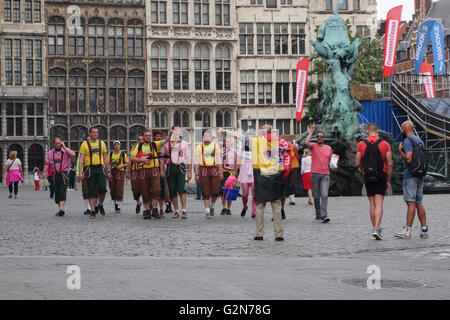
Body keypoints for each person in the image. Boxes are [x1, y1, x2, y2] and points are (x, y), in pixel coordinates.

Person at [355, 123, 393, 240]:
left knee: (372, 203)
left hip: (368, 176)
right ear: (377, 131)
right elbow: (390, 164)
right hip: (380, 176)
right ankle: (377, 228)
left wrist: (364, 171)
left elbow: (357, 163)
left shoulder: (361, 144)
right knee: (379, 202)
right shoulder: (385, 144)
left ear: (367, 131)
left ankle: (374, 229)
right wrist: (388, 180)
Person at [395, 120, 429, 239]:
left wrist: (400, 151)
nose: (401, 131)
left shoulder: (407, 141)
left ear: (405, 129)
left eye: (401, 129)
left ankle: (407, 231)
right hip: (421, 174)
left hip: (411, 174)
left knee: (411, 203)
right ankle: (424, 229)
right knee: (419, 202)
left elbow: (408, 159)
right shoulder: (419, 141)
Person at [252, 124, 285, 241]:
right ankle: (279, 234)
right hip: (275, 176)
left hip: (261, 175)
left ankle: (259, 234)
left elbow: (240, 138)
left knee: (260, 206)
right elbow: (285, 156)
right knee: (276, 206)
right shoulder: (279, 142)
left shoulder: (255, 141)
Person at [129, 129, 170, 219]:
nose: (148, 137)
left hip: (154, 170)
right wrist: (141, 160)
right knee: (145, 191)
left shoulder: (155, 144)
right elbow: (131, 157)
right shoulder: (139, 146)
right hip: (143, 171)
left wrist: (170, 133)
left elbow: (165, 140)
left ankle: (155, 210)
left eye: (149, 135)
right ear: (143, 137)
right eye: (146, 135)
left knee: (156, 190)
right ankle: (147, 211)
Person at [77, 127, 112, 219]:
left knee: (103, 188)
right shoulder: (84, 144)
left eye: (96, 132)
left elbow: (105, 158)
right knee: (91, 191)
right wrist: (80, 173)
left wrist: (108, 170)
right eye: (93, 132)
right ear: (89, 133)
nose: (95, 134)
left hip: (100, 168)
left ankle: (100, 204)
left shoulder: (102, 143)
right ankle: (93, 211)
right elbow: (81, 159)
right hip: (89, 169)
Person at [160, 125, 192, 219]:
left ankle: (184, 210)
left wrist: (189, 171)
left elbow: (188, 158)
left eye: (179, 130)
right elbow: (162, 158)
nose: (177, 132)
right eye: (176, 130)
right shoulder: (166, 144)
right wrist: (161, 170)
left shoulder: (184, 144)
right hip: (170, 168)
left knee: (182, 188)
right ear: (172, 131)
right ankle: (176, 211)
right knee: (172, 190)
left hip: (180, 167)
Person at [305, 123, 333, 223]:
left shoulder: (329, 148)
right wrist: (311, 132)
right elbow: (306, 142)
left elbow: (331, 162)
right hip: (315, 174)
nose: (319, 138)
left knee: (324, 195)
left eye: (321, 137)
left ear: (324, 138)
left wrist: (333, 166)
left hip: (325, 175)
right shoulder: (313, 146)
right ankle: (318, 214)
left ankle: (324, 215)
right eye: (318, 137)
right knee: (316, 197)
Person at [43, 138, 76, 216]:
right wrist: (45, 171)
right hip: (54, 175)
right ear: (54, 144)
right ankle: (60, 208)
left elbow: (73, 154)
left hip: (64, 174)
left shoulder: (65, 151)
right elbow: (47, 163)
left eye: (59, 143)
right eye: (56, 143)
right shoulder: (50, 153)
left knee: (63, 191)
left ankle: (61, 209)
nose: (58, 145)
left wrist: (64, 147)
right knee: (57, 193)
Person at [195, 129, 223, 219]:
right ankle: (207, 210)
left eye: (209, 136)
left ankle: (212, 206)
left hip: (214, 169)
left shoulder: (215, 146)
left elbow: (219, 159)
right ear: (202, 137)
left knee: (216, 191)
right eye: (205, 136)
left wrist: (221, 172)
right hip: (204, 170)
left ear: (211, 137)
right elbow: (196, 162)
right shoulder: (199, 147)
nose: (207, 137)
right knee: (205, 191)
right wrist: (196, 174)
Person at [77, 135, 98, 215]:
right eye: (88, 140)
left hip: (95, 170)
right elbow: (79, 161)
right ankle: (88, 208)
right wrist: (79, 173)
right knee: (85, 190)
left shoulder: (97, 149)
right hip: (85, 171)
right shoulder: (83, 150)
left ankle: (95, 206)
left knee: (96, 190)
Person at [108, 141, 128, 213]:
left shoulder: (123, 154)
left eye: (118, 145)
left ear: (120, 146)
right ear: (113, 146)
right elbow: (108, 164)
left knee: (119, 189)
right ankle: (115, 202)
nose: (117, 146)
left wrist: (121, 165)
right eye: (115, 145)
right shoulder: (110, 154)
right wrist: (109, 172)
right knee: (112, 188)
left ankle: (119, 206)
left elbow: (127, 163)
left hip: (120, 172)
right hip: (112, 172)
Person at [220, 136, 238, 215]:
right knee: (223, 190)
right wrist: (220, 172)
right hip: (223, 171)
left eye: (229, 142)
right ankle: (223, 207)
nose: (228, 143)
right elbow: (219, 162)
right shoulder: (221, 151)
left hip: (231, 172)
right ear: (223, 143)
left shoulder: (234, 151)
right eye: (226, 142)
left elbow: (237, 161)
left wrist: (235, 172)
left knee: (230, 190)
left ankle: (228, 208)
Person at [127, 134, 144, 214]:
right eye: (139, 140)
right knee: (135, 190)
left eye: (142, 139)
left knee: (145, 190)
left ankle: (147, 207)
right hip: (135, 171)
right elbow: (130, 160)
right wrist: (128, 172)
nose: (141, 141)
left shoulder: (147, 148)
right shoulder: (134, 148)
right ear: (137, 141)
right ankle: (138, 202)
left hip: (144, 170)